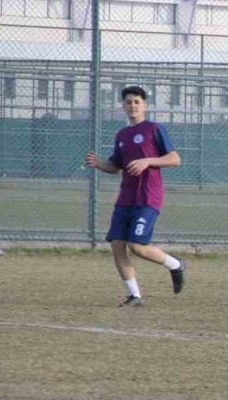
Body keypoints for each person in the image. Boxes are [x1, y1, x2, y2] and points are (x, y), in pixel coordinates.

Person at [84, 85, 186, 307]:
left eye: (137, 102)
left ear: (145, 106)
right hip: (126, 198)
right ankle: (134, 296)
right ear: (123, 106)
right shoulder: (122, 135)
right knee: (117, 245)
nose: (132, 106)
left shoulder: (154, 129)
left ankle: (176, 265)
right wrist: (99, 164)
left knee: (137, 246)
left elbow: (175, 159)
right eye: (128, 102)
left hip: (148, 196)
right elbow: (116, 166)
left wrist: (148, 160)